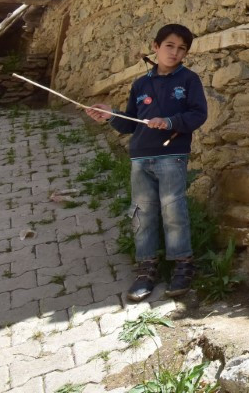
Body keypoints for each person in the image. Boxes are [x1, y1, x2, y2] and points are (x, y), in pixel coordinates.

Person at [86, 23, 208, 302]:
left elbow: (198, 114)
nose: (175, 53)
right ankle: (146, 268)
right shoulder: (141, 84)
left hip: (171, 155)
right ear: (155, 46)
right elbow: (130, 123)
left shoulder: (189, 80)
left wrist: (169, 122)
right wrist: (110, 115)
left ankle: (182, 265)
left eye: (181, 49)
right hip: (140, 157)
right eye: (169, 46)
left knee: (173, 210)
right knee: (142, 212)